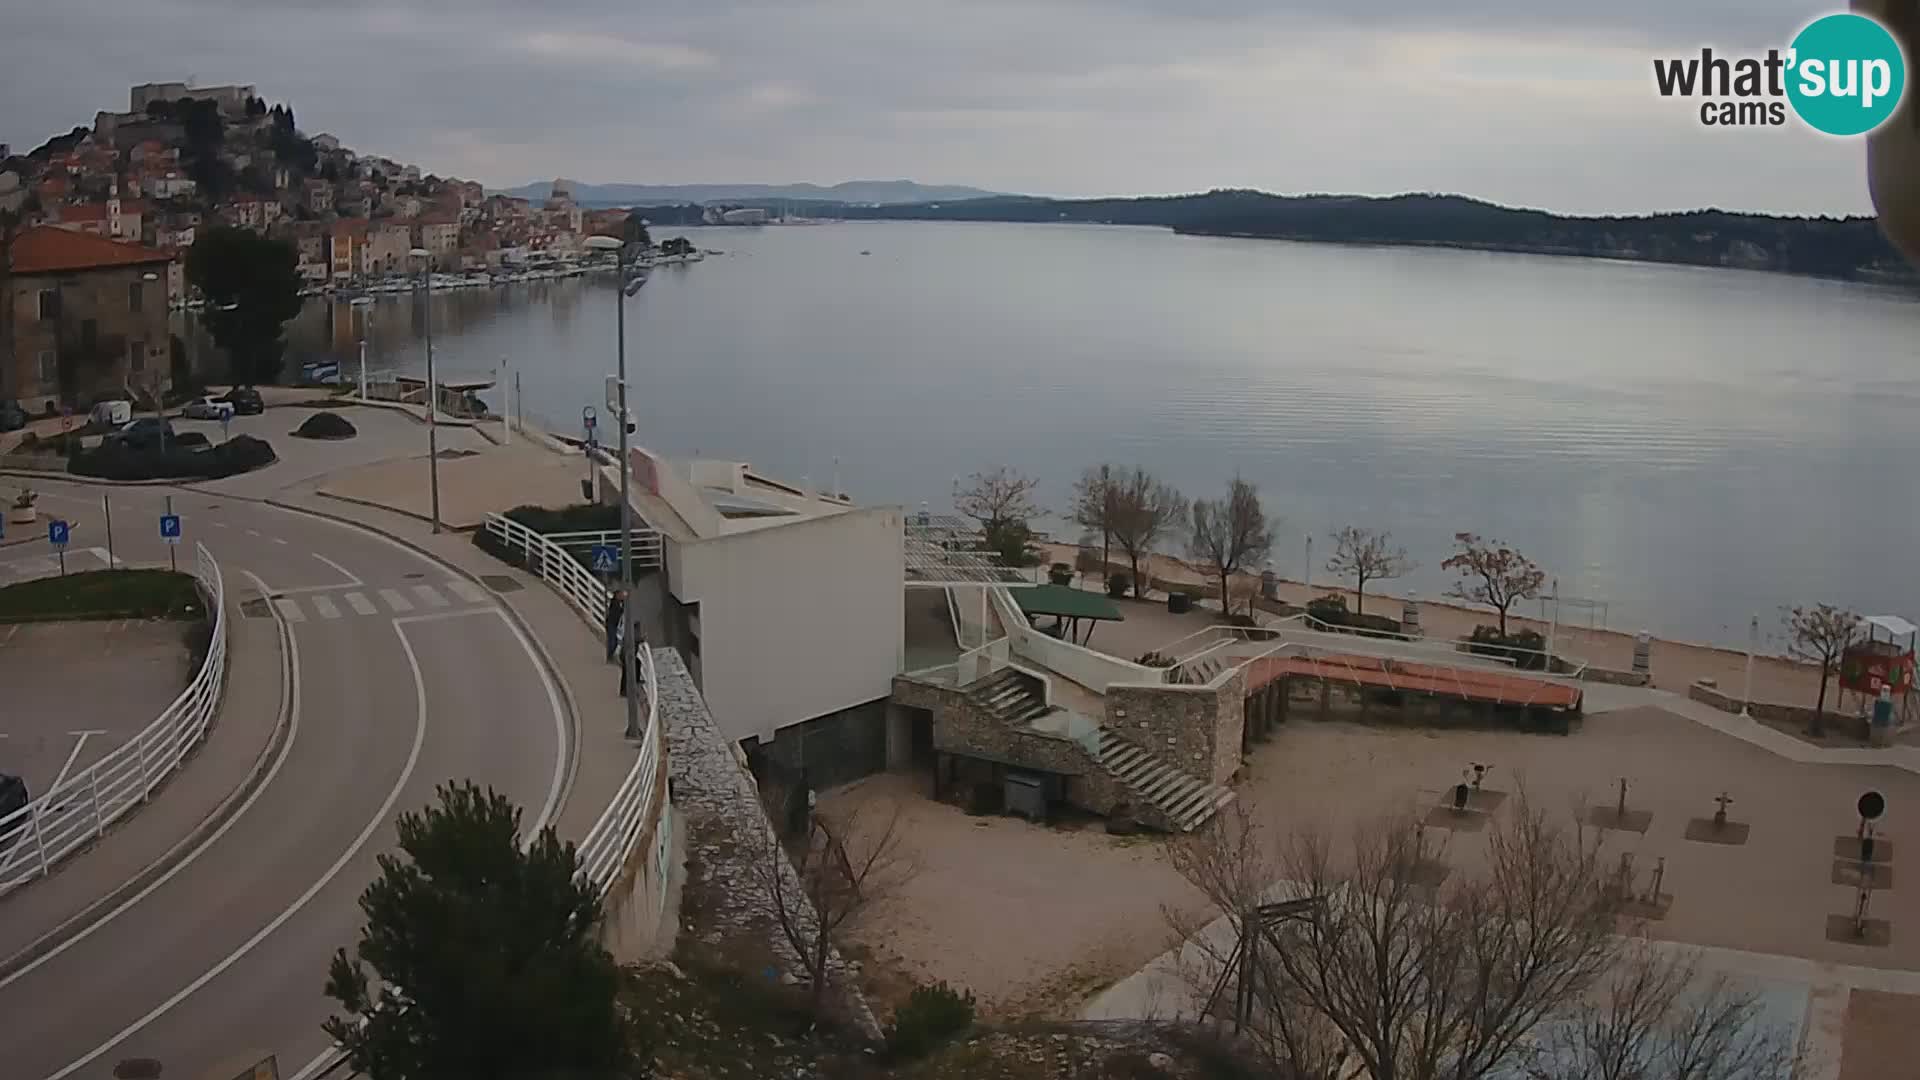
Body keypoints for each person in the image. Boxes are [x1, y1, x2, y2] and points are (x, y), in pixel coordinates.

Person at [619, 622, 649, 698]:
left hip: (628, 655)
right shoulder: (632, 634)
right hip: (626, 656)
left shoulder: (629, 633)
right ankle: (624, 691)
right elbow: (637, 639)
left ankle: (636, 681)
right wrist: (643, 638)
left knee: (637, 663)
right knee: (626, 673)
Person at [603, 587, 627, 663]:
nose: (622, 596)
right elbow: (618, 609)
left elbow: (622, 608)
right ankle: (609, 658)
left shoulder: (620, 603)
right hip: (611, 624)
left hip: (615, 624)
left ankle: (610, 657)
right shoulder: (614, 602)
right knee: (612, 641)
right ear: (617, 595)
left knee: (614, 641)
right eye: (620, 595)